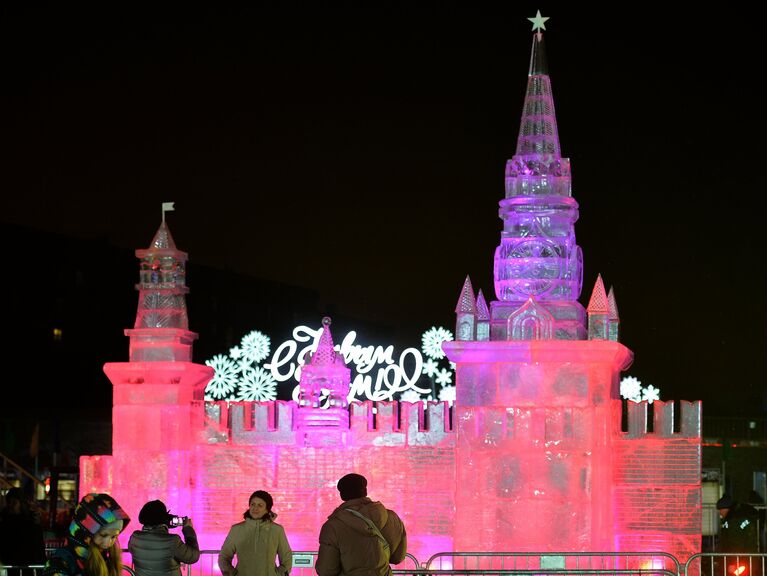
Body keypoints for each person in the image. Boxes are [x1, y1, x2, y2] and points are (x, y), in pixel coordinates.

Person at [316, 473, 406, 576]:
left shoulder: (333, 526)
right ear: (365, 491)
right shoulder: (391, 518)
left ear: (342, 495)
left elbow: (326, 570)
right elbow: (398, 557)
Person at [43, 493, 130, 576]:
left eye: (114, 536)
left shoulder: (104, 555)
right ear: (85, 531)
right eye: (103, 535)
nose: (109, 542)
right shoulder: (61, 560)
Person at [218, 490, 292, 576]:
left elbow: (286, 558)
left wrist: (278, 574)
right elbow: (224, 556)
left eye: (260, 505)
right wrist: (231, 573)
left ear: (267, 509)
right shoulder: (237, 529)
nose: (255, 508)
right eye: (252, 504)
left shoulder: (277, 530)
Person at [128, 500, 200, 576]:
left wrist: (163, 525)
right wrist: (188, 529)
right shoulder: (173, 541)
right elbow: (193, 556)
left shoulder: (135, 538)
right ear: (163, 518)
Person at [0, 487, 47, 574]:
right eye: (9, 502)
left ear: (21, 504)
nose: (11, 505)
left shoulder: (31, 521)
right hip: (15, 562)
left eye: (14, 502)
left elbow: (37, 544)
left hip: (25, 562)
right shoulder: (5, 520)